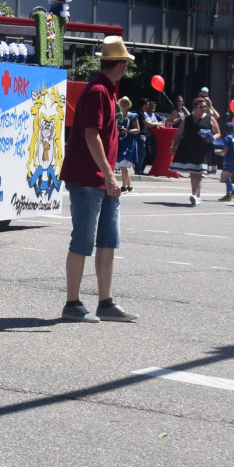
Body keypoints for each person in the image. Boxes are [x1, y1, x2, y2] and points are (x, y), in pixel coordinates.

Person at [61, 36, 136, 322]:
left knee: (108, 240)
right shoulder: (98, 91)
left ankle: (106, 302)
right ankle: (72, 303)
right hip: (89, 178)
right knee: (83, 240)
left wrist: (109, 176)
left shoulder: (107, 91)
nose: (126, 69)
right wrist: (108, 175)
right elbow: (91, 135)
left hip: (101, 178)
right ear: (120, 64)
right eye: (125, 64)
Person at [170, 91, 215, 206]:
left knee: (198, 174)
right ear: (195, 107)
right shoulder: (188, 119)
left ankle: (195, 195)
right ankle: (196, 197)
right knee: (193, 173)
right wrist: (173, 145)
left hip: (203, 149)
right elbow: (179, 132)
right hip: (190, 147)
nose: (203, 109)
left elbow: (218, 133)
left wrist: (212, 138)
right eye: (201, 107)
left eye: (205, 107)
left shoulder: (209, 119)